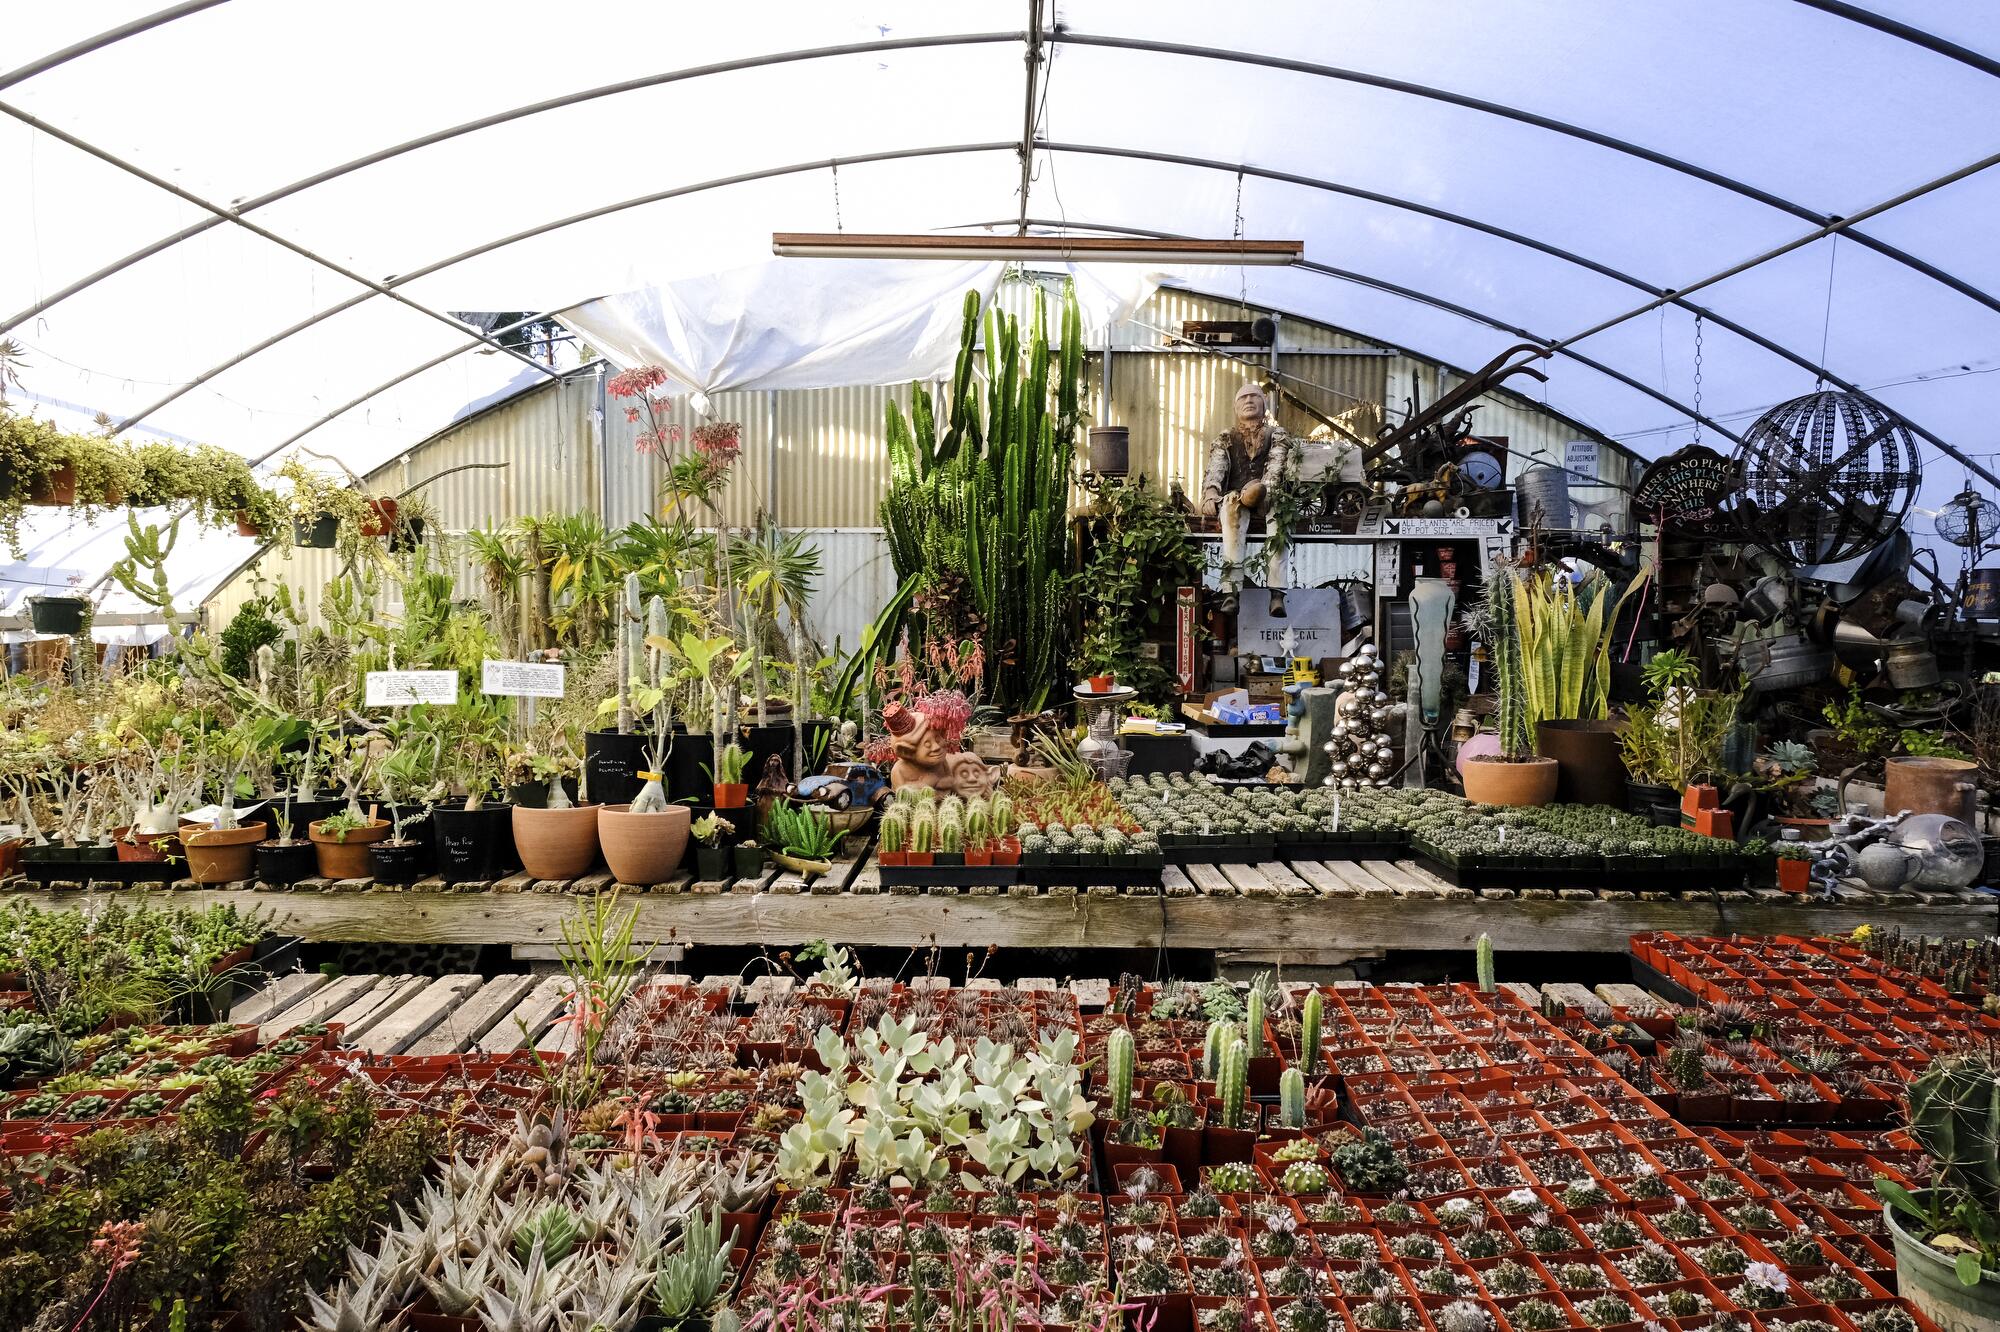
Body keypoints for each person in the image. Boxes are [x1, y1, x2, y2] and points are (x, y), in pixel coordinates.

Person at [1199, 382, 1296, 603]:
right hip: (1237, 496)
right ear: (1235, 407)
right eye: (1243, 398)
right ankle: (1230, 590)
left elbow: (1276, 465)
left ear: (1264, 404)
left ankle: (1277, 592)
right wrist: (1211, 492)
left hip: (1269, 497)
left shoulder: (1276, 434)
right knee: (1232, 509)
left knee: (1280, 518)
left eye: (1254, 396)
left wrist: (1266, 492)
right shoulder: (1226, 437)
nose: (1249, 400)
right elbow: (1217, 466)